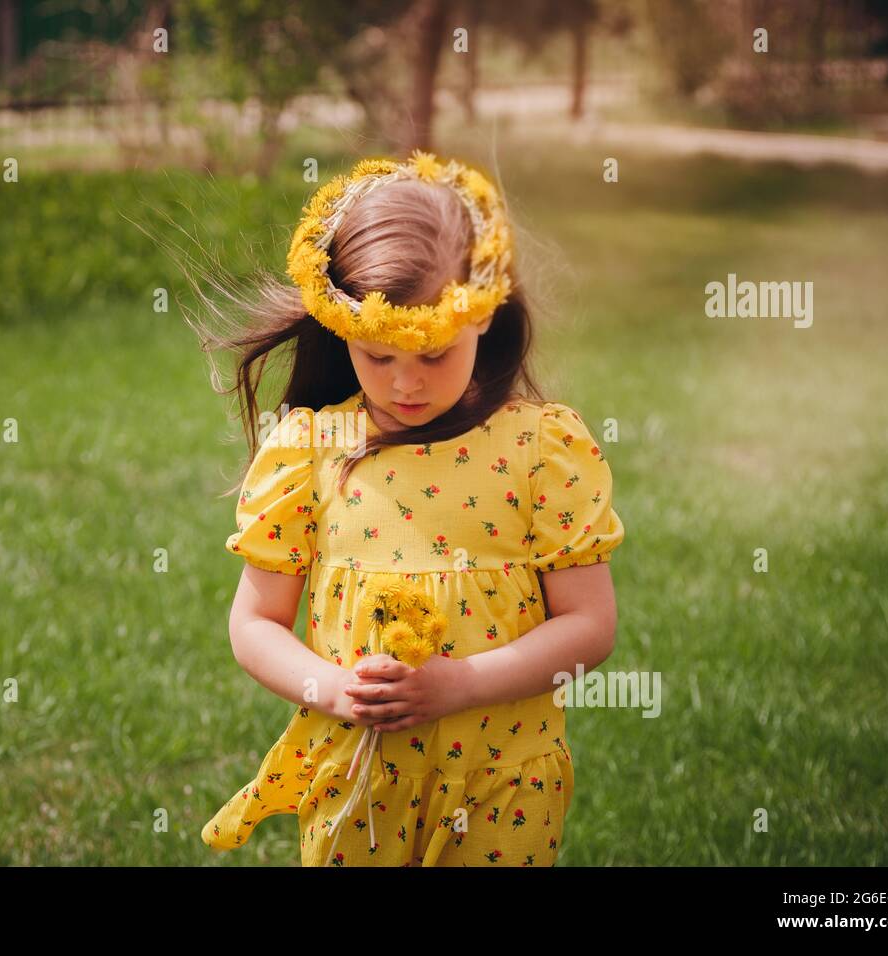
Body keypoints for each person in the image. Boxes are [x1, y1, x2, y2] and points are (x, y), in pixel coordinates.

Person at [197, 150, 624, 866]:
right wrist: (330, 688)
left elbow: (590, 625)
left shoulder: (539, 447)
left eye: (433, 354)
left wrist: (460, 684)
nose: (406, 385)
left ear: (483, 317)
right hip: (361, 780)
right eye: (377, 356)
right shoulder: (311, 446)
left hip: (502, 780)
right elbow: (254, 623)